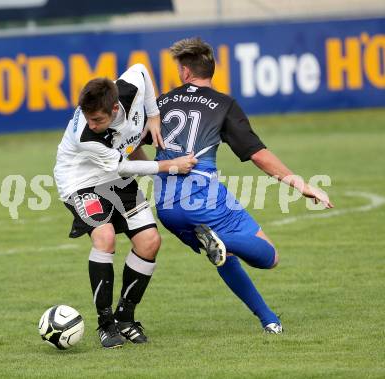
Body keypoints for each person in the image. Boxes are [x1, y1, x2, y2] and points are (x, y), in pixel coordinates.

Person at [153, 38, 333, 333]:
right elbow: (258, 155)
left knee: (223, 256)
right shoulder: (223, 104)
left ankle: (269, 320)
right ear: (211, 70)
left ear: (185, 72)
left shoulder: (161, 102)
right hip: (203, 197)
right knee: (269, 256)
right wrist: (302, 185)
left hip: (167, 207)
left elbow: (132, 143)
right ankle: (224, 242)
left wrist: (155, 169)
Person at [54, 63, 197, 348]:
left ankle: (126, 318)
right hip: (80, 181)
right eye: (87, 117)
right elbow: (124, 165)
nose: (91, 123)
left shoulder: (128, 89)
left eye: (97, 119)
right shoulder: (88, 136)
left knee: (149, 241)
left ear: (115, 108)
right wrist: (171, 166)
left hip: (114, 177)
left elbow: (142, 69)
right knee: (104, 237)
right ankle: (106, 325)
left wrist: (154, 116)